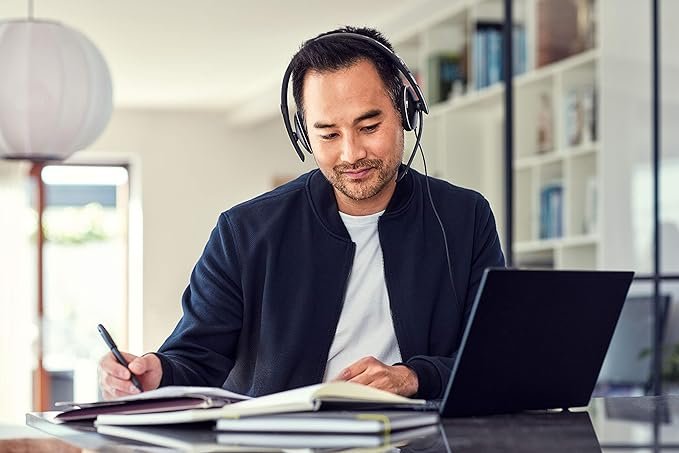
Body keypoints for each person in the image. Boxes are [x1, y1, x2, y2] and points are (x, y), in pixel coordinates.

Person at [98, 26, 505, 401]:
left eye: (368, 127)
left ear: (406, 110)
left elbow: (495, 361)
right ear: (303, 134)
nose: (351, 153)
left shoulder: (465, 218)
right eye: (328, 134)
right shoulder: (244, 232)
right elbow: (196, 357)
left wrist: (415, 377)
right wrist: (158, 373)